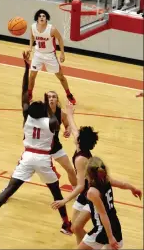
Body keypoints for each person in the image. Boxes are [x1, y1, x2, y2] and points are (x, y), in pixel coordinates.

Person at [0, 52, 71, 234]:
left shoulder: (27, 117)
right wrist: (49, 105)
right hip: (43, 159)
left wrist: (27, 67)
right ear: (44, 109)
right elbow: (53, 118)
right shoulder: (51, 122)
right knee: (56, 193)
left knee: (10, 187)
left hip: (27, 156)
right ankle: (66, 223)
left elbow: (24, 93)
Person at [51, 102, 99, 244]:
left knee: (76, 227)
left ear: (79, 141)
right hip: (86, 193)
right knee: (75, 227)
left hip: (91, 194)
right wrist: (70, 114)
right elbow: (74, 129)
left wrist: (64, 200)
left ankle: (92, 246)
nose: (75, 135)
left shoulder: (81, 159)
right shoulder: (81, 146)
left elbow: (79, 186)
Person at [77, 156, 142, 249]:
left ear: (88, 173)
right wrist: (133, 188)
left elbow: (103, 214)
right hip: (115, 224)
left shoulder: (92, 192)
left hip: (103, 229)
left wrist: (110, 237)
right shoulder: (106, 180)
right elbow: (122, 184)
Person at [26, 9, 76, 105]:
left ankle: (69, 94)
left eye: (44, 16)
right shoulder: (32, 27)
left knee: (60, 77)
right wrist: (30, 48)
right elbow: (32, 37)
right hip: (38, 54)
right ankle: (29, 94)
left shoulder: (52, 29)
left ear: (46, 19)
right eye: (40, 16)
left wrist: (62, 53)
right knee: (32, 76)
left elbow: (60, 39)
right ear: (37, 18)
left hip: (50, 55)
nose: (42, 17)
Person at [47, 91, 77, 188]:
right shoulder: (40, 112)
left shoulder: (61, 113)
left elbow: (68, 125)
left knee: (70, 170)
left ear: (57, 100)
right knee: (22, 172)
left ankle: (77, 193)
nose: (51, 99)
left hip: (55, 145)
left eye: (53, 97)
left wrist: (68, 131)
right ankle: (8, 190)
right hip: (40, 147)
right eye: (49, 97)